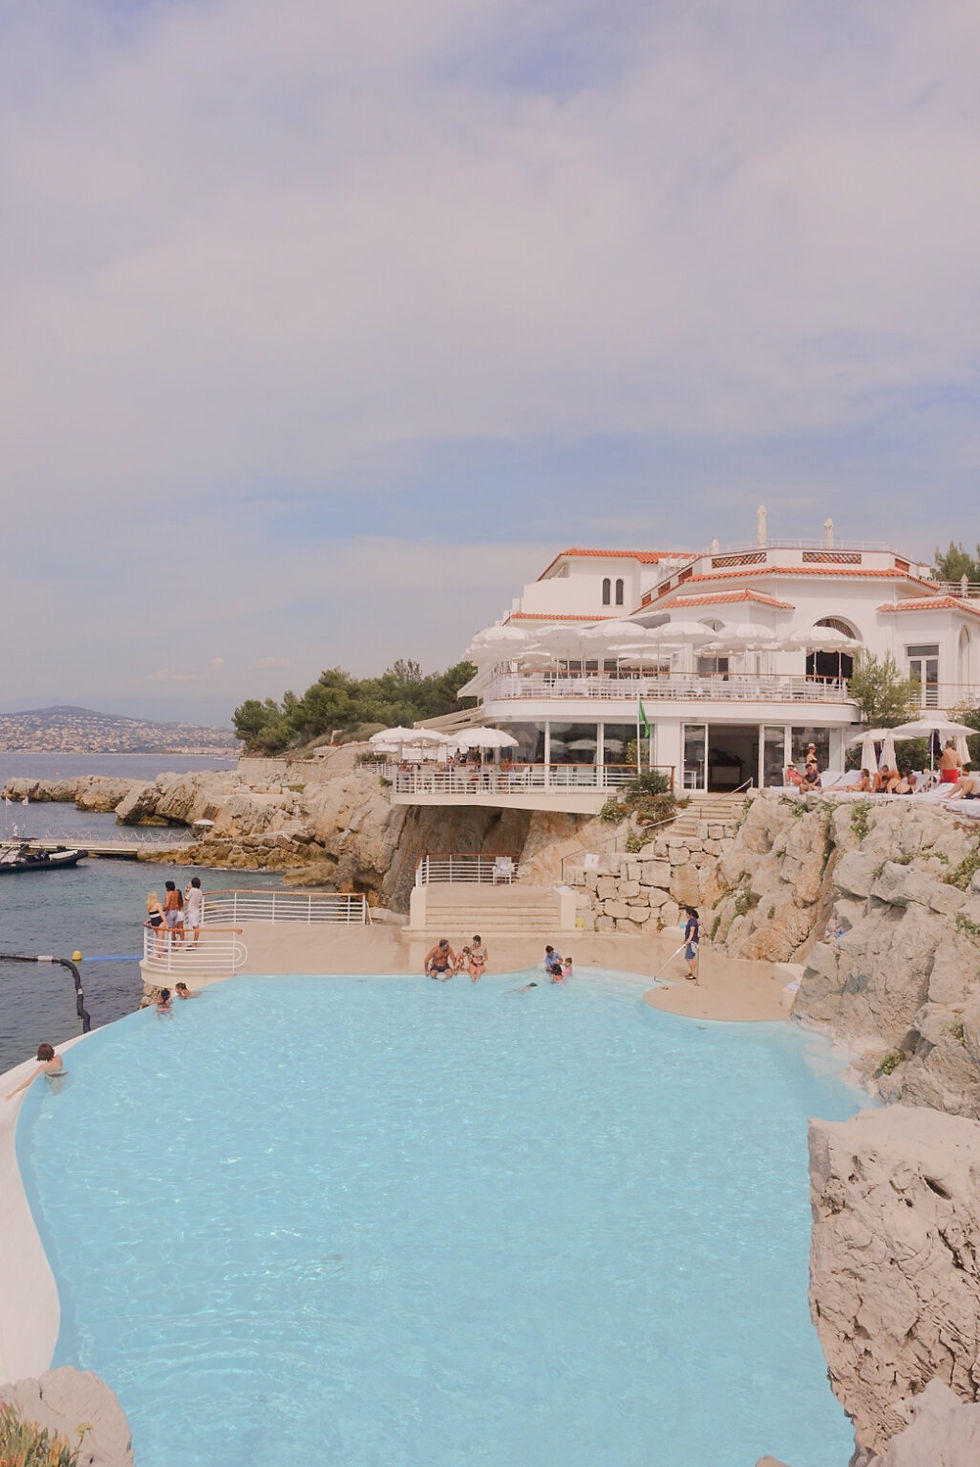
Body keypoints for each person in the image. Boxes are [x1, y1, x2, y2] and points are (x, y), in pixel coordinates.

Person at [184, 876, 203, 946]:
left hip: (192, 911)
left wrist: (187, 890)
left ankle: (194, 943)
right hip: (196, 911)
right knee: (196, 927)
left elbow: (186, 898)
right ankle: (194, 943)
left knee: (195, 928)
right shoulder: (200, 891)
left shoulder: (192, 890)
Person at [683, 906, 700, 982]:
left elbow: (692, 932)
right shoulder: (692, 920)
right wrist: (685, 940)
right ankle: (692, 972)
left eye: (686, 913)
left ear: (690, 914)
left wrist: (688, 941)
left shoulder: (693, 921)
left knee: (688, 958)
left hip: (692, 942)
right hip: (693, 941)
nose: (686, 915)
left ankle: (693, 975)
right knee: (692, 957)